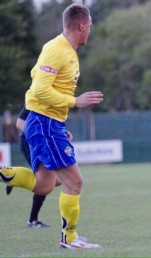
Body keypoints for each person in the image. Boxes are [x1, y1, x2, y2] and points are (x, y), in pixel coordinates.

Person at [0, 3, 103, 249]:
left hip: (49, 123)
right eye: (89, 26)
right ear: (81, 25)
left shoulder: (66, 50)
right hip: (44, 122)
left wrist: (59, 119)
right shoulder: (57, 49)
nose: (89, 31)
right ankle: (69, 238)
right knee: (75, 181)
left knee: (44, 185)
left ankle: (3, 173)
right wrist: (73, 102)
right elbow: (39, 89)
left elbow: (37, 76)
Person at [5, 104, 66, 228]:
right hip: (31, 141)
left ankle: (15, 177)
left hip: (44, 140)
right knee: (46, 182)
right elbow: (20, 123)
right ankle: (33, 220)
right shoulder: (37, 93)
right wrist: (38, 135)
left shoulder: (57, 94)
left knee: (58, 180)